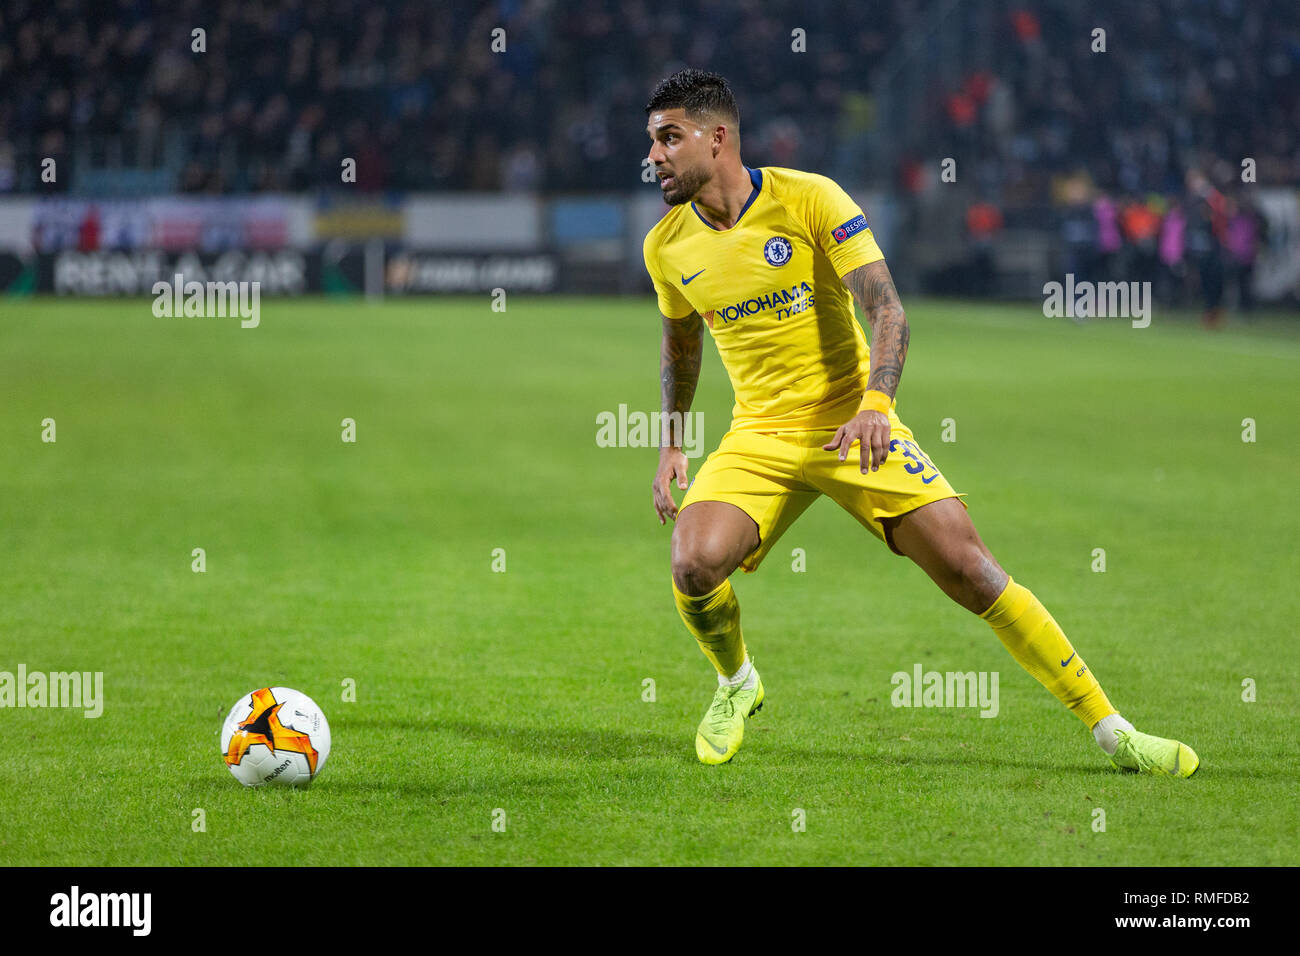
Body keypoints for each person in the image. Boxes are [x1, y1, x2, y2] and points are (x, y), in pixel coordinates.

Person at [642, 69, 1198, 776]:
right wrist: (671, 446)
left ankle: (1115, 731)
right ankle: (737, 682)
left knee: (971, 570)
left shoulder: (810, 199)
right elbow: (681, 344)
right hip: (759, 435)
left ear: (717, 138)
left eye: (669, 138)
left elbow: (887, 309)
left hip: (853, 418)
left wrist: (877, 405)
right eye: (652, 142)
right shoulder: (666, 246)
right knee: (693, 563)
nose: (654, 156)